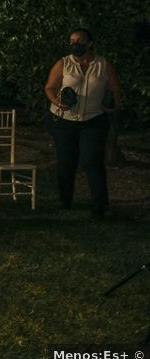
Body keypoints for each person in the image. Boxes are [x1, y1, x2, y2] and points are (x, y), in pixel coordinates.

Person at [44, 28, 121, 218]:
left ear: (89, 43)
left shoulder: (102, 64)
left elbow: (114, 89)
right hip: (65, 121)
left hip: (93, 120)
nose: (74, 45)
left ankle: (99, 204)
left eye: (79, 41)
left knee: (91, 160)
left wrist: (112, 104)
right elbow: (50, 87)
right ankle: (64, 200)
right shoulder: (64, 63)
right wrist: (57, 102)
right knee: (66, 161)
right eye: (71, 41)